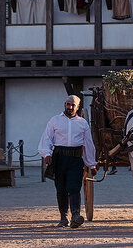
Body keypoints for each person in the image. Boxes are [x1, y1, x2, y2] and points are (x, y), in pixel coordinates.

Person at [38, 95, 97, 228]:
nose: (69, 107)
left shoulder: (83, 123)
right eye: (68, 104)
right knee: (60, 188)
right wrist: (46, 154)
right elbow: (46, 138)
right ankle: (63, 217)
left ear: (78, 107)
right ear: (65, 104)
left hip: (76, 159)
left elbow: (88, 144)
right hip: (59, 158)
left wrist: (91, 163)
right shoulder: (55, 120)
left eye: (73, 105)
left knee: (74, 186)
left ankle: (76, 215)